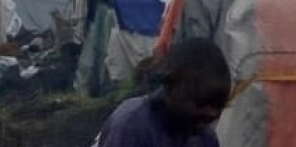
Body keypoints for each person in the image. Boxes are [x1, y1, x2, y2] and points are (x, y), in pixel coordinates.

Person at [93, 38, 232, 147]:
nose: (211, 113)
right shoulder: (132, 125)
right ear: (171, 87)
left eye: (218, 105)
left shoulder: (204, 137)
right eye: (200, 103)